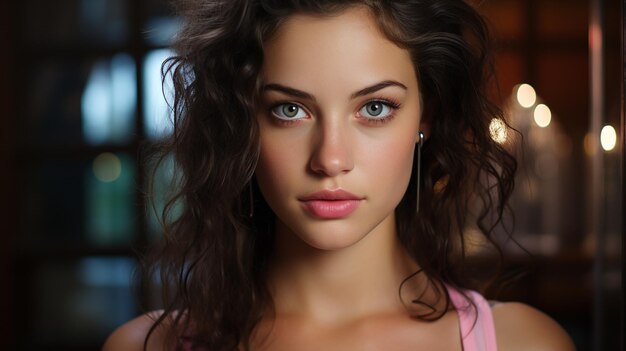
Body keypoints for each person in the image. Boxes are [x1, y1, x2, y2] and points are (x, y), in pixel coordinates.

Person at [104, 0, 576, 350]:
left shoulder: (524, 343)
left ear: (425, 117)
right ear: (243, 122)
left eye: (374, 108)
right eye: (289, 110)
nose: (330, 159)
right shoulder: (143, 346)